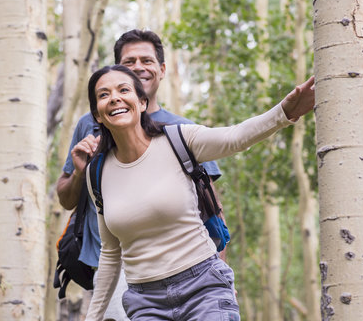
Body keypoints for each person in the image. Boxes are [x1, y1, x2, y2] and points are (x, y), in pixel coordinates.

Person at [83, 65, 315, 320]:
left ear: (141, 102)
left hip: (203, 287)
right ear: (98, 116)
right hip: (145, 302)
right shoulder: (97, 172)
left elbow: (235, 137)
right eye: (104, 95)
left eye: (123, 90)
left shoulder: (178, 140)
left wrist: (285, 112)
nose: (114, 97)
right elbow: (110, 252)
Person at [57, 30, 223, 320]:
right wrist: (81, 172)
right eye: (128, 61)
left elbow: (212, 208)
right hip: (111, 264)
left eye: (146, 60)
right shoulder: (92, 123)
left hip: (185, 269)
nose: (138, 67)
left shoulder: (182, 131)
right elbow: (66, 198)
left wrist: (221, 273)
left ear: (161, 70)